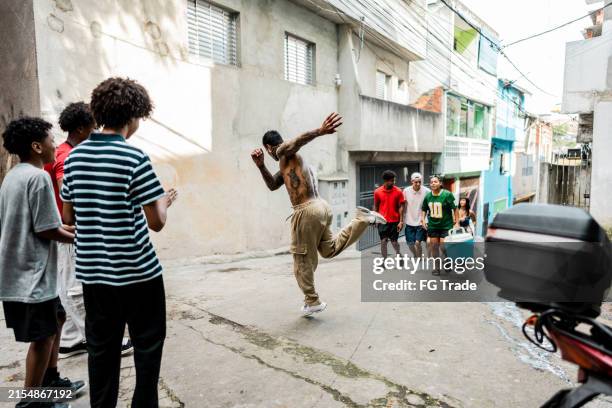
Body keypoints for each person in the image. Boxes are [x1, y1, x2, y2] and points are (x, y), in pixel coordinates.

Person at [61, 77, 178, 408]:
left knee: (101, 351)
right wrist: (164, 203)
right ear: (134, 116)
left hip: (95, 277)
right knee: (147, 348)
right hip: (139, 274)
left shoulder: (74, 158)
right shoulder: (135, 158)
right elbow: (156, 223)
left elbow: (69, 216)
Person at [250, 113, 386, 316]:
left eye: (268, 153)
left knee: (301, 258)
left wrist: (319, 131)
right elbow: (272, 185)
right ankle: (362, 219)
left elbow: (293, 143)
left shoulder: (283, 152)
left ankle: (312, 301)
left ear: (269, 148)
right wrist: (261, 167)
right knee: (329, 249)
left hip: (306, 211)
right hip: (321, 207)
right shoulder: (288, 163)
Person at [0, 117, 85, 408]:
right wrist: (83, 236)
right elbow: (48, 228)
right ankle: (31, 401)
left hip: (19, 274)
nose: (54, 145)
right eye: (50, 139)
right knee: (43, 337)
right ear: (37, 146)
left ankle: (50, 381)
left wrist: (76, 231)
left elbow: (47, 225)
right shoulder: (37, 177)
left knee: (58, 317)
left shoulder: (14, 175)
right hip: (32, 277)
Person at [44, 102, 135, 359]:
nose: (97, 129)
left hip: (68, 227)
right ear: (82, 128)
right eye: (94, 125)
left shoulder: (66, 151)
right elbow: (67, 192)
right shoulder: (67, 156)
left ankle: (71, 340)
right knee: (75, 287)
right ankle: (102, 338)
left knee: (69, 283)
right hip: (71, 229)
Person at [421, 175, 458, 275]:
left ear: (440, 183)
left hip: (446, 225)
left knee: (443, 247)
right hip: (433, 226)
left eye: (435, 182)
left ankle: (448, 259)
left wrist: (457, 222)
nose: (433, 183)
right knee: (434, 247)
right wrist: (423, 220)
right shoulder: (428, 196)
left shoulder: (447, 194)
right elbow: (424, 209)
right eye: (431, 182)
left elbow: (455, 208)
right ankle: (437, 268)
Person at [373, 170, 405, 259]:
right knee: (383, 241)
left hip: (395, 221)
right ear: (386, 181)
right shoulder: (377, 192)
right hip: (382, 221)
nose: (393, 182)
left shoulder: (398, 191)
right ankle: (384, 260)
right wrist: (375, 219)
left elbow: (401, 207)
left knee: (394, 242)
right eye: (392, 180)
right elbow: (376, 206)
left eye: (394, 180)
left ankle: (398, 254)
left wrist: (401, 221)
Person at [402, 172, 430, 258]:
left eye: (419, 182)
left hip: (421, 221)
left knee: (417, 243)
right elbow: (403, 205)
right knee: (410, 244)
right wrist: (401, 219)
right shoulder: (406, 191)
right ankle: (416, 255)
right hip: (409, 221)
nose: (418, 184)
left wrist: (427, 219)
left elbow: (430, 206)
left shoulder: (426, 191)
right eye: (416, 182)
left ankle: (419, 257)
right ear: (412, 181)